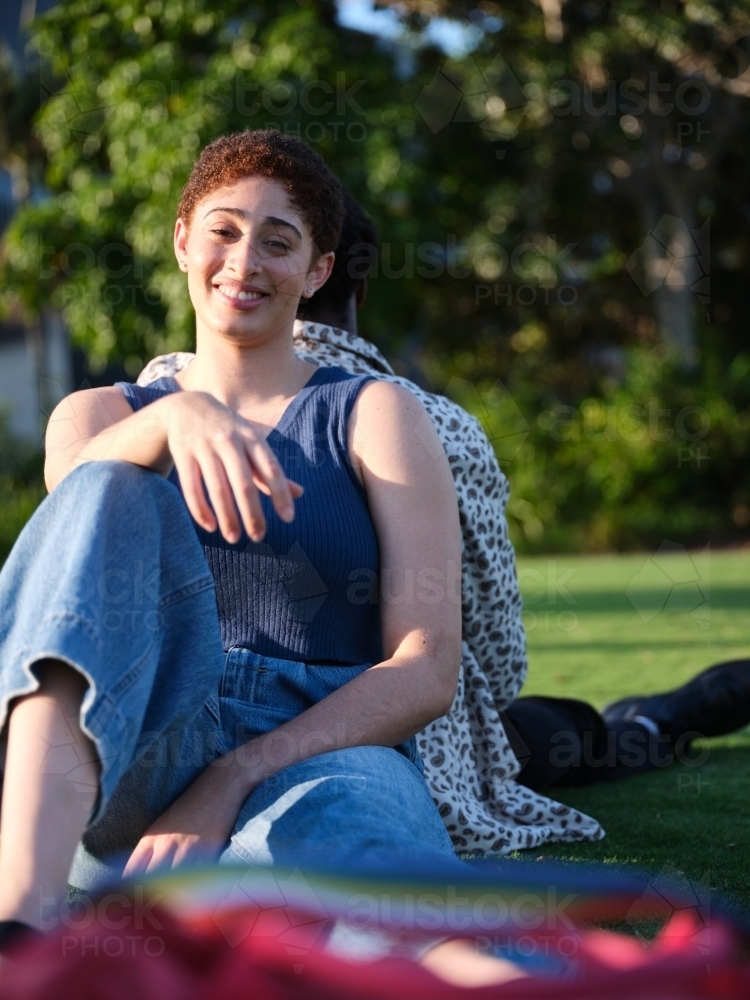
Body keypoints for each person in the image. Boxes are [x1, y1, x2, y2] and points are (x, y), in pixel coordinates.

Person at [143, 190, 750, 838]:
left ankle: (643, 721)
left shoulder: (154, 397)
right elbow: (491, 643)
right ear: (357, 288)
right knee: (546, 733)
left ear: (315, 268)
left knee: (536, 732)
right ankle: (648, 724)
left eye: (273, 239)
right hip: (398, 736)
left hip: (241, 726)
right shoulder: (435, 422)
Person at [0, 130, 472, 950]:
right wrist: (171, 416)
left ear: (317, 270)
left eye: (278, 242)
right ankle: (22, 927)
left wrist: (234, 775)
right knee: (106, 484)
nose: (244, 260)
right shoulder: (98, 415)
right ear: (183, 239)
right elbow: (65, 575)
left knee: (384, 915)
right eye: (222, 229)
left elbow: (426, 664)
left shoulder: (377, 412)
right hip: (134, 743)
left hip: (323, 746)